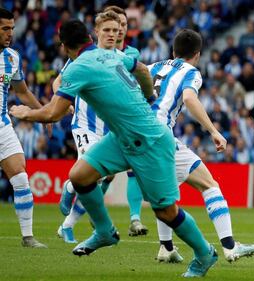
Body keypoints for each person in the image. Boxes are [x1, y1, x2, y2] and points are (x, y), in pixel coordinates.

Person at [11, 19, 217, 278]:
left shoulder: (77, 68)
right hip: (122, 136)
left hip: (148, 140)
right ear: (89, 36)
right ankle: (104, 231)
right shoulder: (111, 55)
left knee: (165, 211)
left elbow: (53, 113)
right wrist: (149, 97)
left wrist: (26, 113)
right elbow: (141, 68)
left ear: (64, 47)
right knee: (79, 175)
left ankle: (204, 253)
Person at [148, 29, 254, 263]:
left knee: (164, 192)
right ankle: (230, 246)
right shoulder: (191, 71)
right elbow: (189, 99)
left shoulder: (153, 67)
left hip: (135, 132)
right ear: (197, 55)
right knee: (209, 184)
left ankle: (166, 248)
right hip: (159, 135)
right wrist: (214, 131)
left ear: (173, 50)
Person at [56, 10, 146, 244]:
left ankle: (67, 226)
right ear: (95, 32)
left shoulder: (127, 55)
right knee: (89, 176)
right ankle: (69, 187)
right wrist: (64, 101)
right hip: (86, 124)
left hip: (111, 126)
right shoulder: (83, 56)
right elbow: (60, 81)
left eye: (121, 27)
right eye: (109, 29)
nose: (117, 32)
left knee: (101, 178)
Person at [0, 7, 47, 248]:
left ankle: (28, 237)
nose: (10, 33)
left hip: (2, 126)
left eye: (11, 28)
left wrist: (42, 114)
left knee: (20, 176)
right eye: (4, 28)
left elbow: (22, 91)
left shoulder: (12, 57)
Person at [103, 5, 148, 237]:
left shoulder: (132, 54)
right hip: (101, 117)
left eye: (124, 25)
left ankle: (134, 219)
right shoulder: (97, 53)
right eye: (116, 25)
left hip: (125, 119)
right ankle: (87, 215)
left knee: (133, 169)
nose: (120, 29)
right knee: (103, 174)